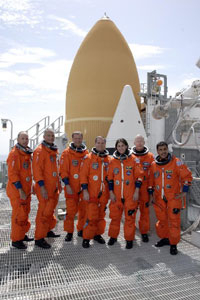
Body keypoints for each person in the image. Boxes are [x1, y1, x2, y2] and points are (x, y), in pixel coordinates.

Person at [148, 141, 192, 255]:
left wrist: (184, 192)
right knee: (162, 220)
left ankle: (173, 244)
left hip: (173, 197)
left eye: (165, 149)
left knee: (173, 221)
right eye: (161, 150)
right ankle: (165, 238)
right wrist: (151, 195)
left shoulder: (176, 163)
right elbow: (151, 181)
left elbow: (187, 177)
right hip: (159, 198)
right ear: (157, 151)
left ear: (168, 150)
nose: (163, 152)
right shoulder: (154, 165)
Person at [107, 138, 144, 249]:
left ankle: (129, 239)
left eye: (123, 145)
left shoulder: (134, 160)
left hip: (130, 194)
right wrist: (111, 193)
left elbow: (139, 177)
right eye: (119, 146)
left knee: (129, 218)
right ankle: (113, 237)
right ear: (116, 148)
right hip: (117, 195)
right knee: (115, 217)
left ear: (127, 146)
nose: (121, 148)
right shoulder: (113, 161)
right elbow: (110, 179)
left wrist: (137, 191)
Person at [32, 128, 61, 249]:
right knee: (43, 213)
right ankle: (39, 238)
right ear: (44, 136)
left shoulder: (52, 151)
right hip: (44, 188)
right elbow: (37, 171)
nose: (51, 138)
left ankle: (48, 230)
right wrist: (42, 187)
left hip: (53, 187)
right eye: (48, 135)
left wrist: (58, 184)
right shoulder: (39, 151)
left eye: (52, 136)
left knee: (50, 211)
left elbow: (55, 170)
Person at [80, 136, 110, 248]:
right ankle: (86, 237)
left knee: (101, 216)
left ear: (105, 144)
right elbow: (83, 176)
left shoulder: (109, 160)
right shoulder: (88, 158)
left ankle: (97, 235)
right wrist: (85, 191)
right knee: (91, 216)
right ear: (95, 143)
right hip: (92, 192)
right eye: (98, 142)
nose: (100, 145)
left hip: (104, 194)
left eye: (103, 143)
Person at [6, 131, 33, 249]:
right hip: (17, 191)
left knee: (25, 213)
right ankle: (16, 240)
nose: (25, 140)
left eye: (27, 138)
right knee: (18, 215)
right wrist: (20, 189)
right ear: (18, 140)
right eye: (23, 138)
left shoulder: (26, 154)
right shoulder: (14, 154)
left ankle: (22, 234)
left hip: (26, 190)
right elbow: (13, 174)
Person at [59, 131, 88, 241]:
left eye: (80, 138)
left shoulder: (86, 153)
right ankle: (69, 232)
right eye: (75, 138)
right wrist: (67, 185)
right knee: (71, 211)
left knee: (83, 211)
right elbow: (63, 171)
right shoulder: (66, 153)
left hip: (83, 188)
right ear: (72, 139)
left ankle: (81, 229)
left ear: (82, 139)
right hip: (71, 187)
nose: (78, 140)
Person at [132, 134, 154, 242]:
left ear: (144, 143)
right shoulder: (130, 156)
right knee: (131, 210)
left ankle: (144, 232)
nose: (139, 143)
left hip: (145, 188)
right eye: (137, 141)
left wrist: (151, 190)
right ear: (134, 143)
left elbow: (153, 174)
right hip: (133, 188)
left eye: (141, 141)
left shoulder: (150, 156)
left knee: (145, 211)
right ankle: (130, 232)